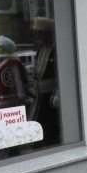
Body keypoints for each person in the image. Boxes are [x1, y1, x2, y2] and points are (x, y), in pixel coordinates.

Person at [28, 17, 60, 146]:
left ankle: (50, 139)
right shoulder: (41, 47)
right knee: (39, 115)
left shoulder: (56, 47)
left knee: (49, 117)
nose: (40, 36)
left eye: (42, 32)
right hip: (40, 90)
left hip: (51, 90)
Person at [0, 36, 30, 110]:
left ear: (4, 48)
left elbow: (20, 81)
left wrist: (21, 97)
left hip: (12, 100)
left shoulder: (14, 62)